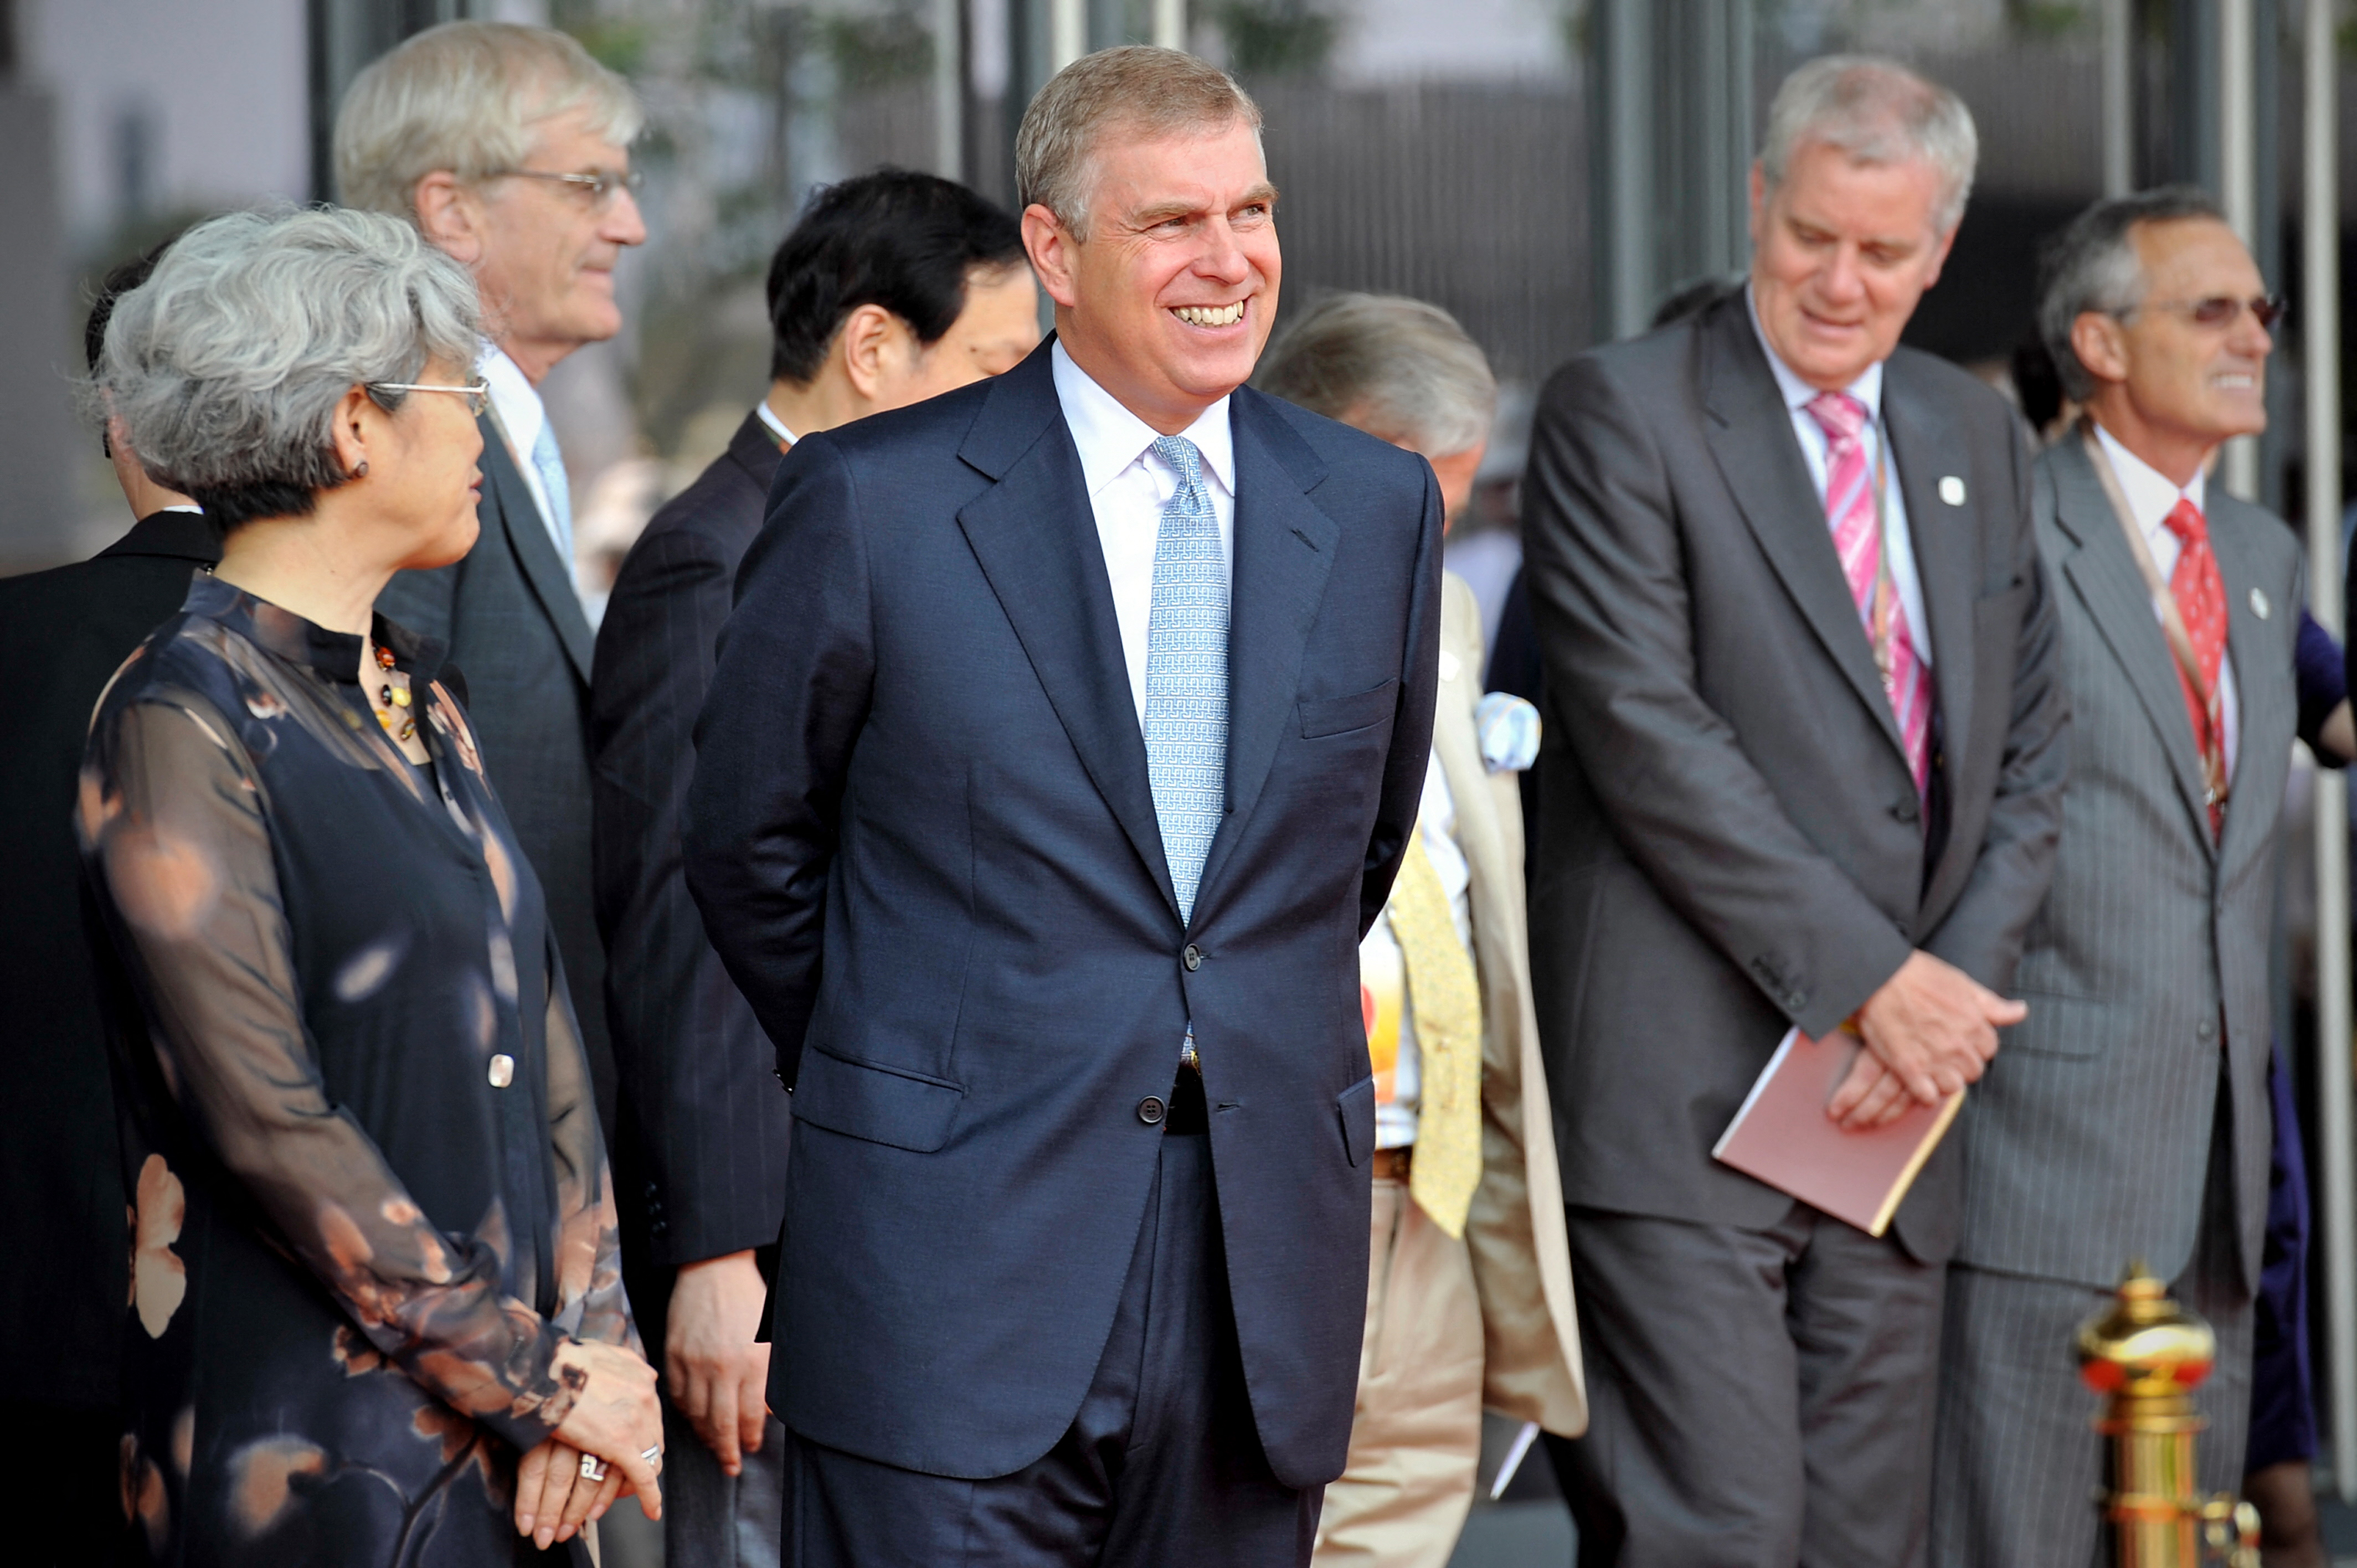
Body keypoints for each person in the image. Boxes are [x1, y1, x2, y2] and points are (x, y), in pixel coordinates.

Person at [685, 45, 1443, 1565]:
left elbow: (1339, 863)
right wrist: (933, 1048)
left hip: (1254, 1280)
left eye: (1253, 211)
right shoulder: (872, 499)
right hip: (945, 1276)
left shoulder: (1374, 508)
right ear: (1054, 251)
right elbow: (748, 848)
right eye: (1172, 223)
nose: (1229, 260)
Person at [1521, 55, 2068, 1565]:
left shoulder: (1975, 440)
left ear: (1940, 251)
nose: (1840, 280)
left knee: (1865, 1541)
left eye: (1883, 251)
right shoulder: (1619, 412)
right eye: (1809, 233)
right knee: (1722, 1535)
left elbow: (2033, 750)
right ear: (1759, 201)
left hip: (1892, 1114)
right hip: (1684, 1098)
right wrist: (1877, 984)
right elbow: (1648, 734)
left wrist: (1940, 1002)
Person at [80, 205, 662, 1564]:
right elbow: (269, 1124)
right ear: (355, 426)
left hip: (509, 1436)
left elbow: (545, 1031)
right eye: (460, 394)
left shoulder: (414, 692)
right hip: (311, 1461)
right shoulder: (182, 715)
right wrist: (545, 1378)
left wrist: (596, 1349)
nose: (483, 439)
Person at [589, 168, 1037, 1565]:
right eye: (994, 365)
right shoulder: (714, 556)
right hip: (775, 1250)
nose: (1018, 406)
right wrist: (722, 1256)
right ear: (871, 347)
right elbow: (684, 906)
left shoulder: (905, 536)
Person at [1929, 185, 2301, 1566]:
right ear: (2097, 341)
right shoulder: (2003, 529)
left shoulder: (2261, 555)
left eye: (2261, 309)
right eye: (2210, 310)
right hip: (2035, 1177)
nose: (2254, 338)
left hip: (2213, 1185)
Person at [1254, 292, 1584, 1567]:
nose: (1432, 529)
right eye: (1412, 489)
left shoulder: (1439, 607)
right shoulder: (1197, 603)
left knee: (1407, 1508)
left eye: (1452, 492)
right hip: (1276, 1174)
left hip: (1432, 1180)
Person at [336, 19, 647, 1137]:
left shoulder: (516, 434)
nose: (632, 223)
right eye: (590, 185)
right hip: (475, 1119)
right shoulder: (406, 460)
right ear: (451, 210)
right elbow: (390, 800)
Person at [0, 240, 211, 1567]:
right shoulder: (377, 675)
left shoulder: (17, 645)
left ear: (118, 423)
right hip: (290, 1349)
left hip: (23, 1323)